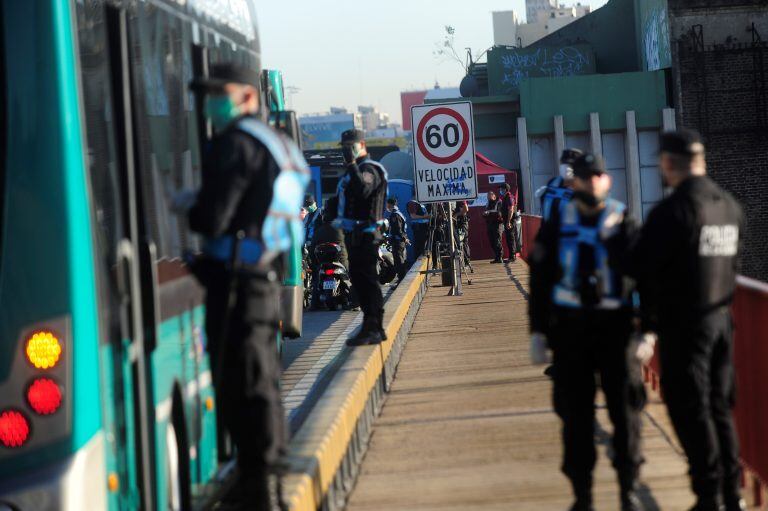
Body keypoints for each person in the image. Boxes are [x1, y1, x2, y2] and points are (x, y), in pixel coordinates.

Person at [186, 62, 308, 510]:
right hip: (264, 275)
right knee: (261, 379)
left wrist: (189, 208)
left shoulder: (234, 145)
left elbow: (212, 217)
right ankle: (267, 473)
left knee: (240, 382)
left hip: (235, 284)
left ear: (246, 97)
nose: (212, 103)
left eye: (220, 93)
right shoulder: (276, 142)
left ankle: (259, 487)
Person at [629, 130, 745, 511]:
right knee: (718, 409)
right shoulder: (728, 205)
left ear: (667, 163)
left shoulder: (673, 212)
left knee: (691, 411)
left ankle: (709, 496)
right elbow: (735, 264)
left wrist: (646, 327)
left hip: (684, 325)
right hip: (722, 321)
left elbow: (642, 269)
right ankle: (733, 493)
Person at [529, 153, 649, 511]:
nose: (592, 182)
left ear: (606, 180)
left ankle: (628, 489)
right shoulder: (558, 223)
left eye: (598, 175)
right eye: (585, 177)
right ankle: (583, 496)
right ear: (575, 182)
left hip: (617, 330)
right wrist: (537, 332)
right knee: (576, 416)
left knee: (626, 415)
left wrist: (649, 328)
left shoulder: (622, 219)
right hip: (572, 332)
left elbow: (646, 275)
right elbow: (541, 279)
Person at [334, 129, 388, 346]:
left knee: (367, 281)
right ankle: (370, 325)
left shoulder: (370, 170)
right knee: (359, 280)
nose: (347, 152)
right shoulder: (352, 172)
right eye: (344, 148)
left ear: (362, 144)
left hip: (367, 235)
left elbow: (363, 190)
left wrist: (351, 164)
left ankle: (374, 326)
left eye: (350, 147)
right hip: (353, 236)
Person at [539, 148, 582, 221]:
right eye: (564, 164)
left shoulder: (584, 188)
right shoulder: (553, 183)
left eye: (570, 165)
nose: (567, 168)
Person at [386, 197, 410, 282]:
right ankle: (401, 278)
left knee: (399, 261)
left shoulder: (395, 215)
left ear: (390, 204)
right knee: (400, 260)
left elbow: (398, 229)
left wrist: (404, 239)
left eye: (387, 204)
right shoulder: (399, 213)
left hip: (398, 241)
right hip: (400, 240)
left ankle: (401, 279)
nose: (386, 206)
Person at [498, 182, 520, 262]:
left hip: (510, 221)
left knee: (511, 238)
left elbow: (511, 209)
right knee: (509, 238)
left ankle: (512, 256)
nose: (500, 190)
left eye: (501, 189)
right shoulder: (505, 197)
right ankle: (511, 256)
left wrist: (508, 222)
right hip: (507, 221)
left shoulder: (509, 197)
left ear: (505, 189)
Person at [483, 191, 503, 263]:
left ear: (493, 196)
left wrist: (489, 213)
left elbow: (500, 213)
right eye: (487, 196)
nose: (488, 198)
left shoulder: (499, 202)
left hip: (497, 224)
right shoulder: (488, 203)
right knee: (492, 241)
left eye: (489, 196)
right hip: (489, 224)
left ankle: (500, 257)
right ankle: (497, 257)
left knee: (497, 241)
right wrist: (484, 214)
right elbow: (484, 212)